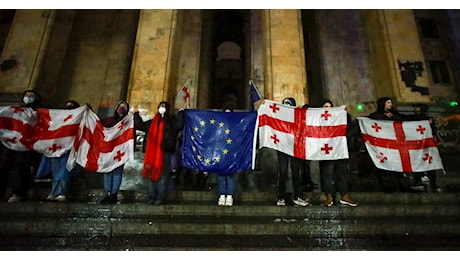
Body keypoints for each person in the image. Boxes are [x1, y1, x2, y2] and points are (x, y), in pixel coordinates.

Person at [134, 101, 184, 205]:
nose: (162, 108)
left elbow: (179, 125)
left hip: (165, 151)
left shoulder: (171, 121)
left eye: (164, 106)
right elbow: (141, 126)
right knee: (152, 175)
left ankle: (161, 197)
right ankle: (152, 197)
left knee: (163, 176)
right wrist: (136, 115)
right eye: (160, 106)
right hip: (152, 152)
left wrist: (181, 113)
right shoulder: (152, 122)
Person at [35, 100, 83, 202]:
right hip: (56, 148)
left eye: (71, 106)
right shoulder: (58, 119)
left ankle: (62, 192)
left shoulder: (79, 120)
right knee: (56, 172)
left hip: (70, 148)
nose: (68, 107)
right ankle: (54, 192)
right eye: (67, 106)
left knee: (65, 172)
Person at [0, 90, 43, 202]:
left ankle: (19, 193)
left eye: (31, 96)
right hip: (9, 143)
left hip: (26, 146)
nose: (28, 98)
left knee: (22, 169)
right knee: (3, 168)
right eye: (26, 95)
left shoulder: (40, 112)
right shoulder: (12, 110)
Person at [319, 99, 359, 207]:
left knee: (342, 173)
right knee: (327, 173)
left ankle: (344, 195)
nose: (327, 109)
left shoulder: (341, 117)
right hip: (326, 150)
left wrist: (345, 114)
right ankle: (329, 196)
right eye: (325, 106)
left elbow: (350, 128)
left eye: (329, 106)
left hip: (340, 149)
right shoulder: (318, 119)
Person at [368, 97, 411, 192]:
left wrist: (392, 117)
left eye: (391, 102)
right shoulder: (375, 115)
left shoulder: (395, 115)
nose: (390, 104)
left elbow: (404, 120)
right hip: (382, 145)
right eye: (388, 102)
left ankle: (401, 185)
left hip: (395, 145)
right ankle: (388, 186)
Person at [276, 97, 309, 207]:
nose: (287, 106)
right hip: (282, 148)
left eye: (289, 104)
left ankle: (298, 196)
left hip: (295, 148)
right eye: (285, 104)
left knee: (296, 172)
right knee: (283, 172)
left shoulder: (297, 117)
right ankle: (281, 196)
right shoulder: (279, 117)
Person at [99, 101, 131, 204]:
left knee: (117, 172)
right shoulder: (110, 120)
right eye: (120, 107)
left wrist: (135, 115)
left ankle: (113, 194)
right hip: (109, 149)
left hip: (120, 150)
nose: (122, 109)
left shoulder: (129, 121)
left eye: (124, 107)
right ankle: (107, 193)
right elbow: (98, 124)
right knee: (108, 171)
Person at [409, 103, 442, 192]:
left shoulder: (427, 119)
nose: (415, 109)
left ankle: (432, 183)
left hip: (426, 145)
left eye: (417, 107)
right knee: (418, 163)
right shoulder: (412, 118)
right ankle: (419, 181)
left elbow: (433, 132)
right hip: (416, 145)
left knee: (428, 164)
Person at [216, 107, 237, 206]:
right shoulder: (219, 126)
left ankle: (229, 195)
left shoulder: (235, 126)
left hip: (232, 153)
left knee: (230, 175)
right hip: (221, 152)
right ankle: (222, 194)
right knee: (221, 175)